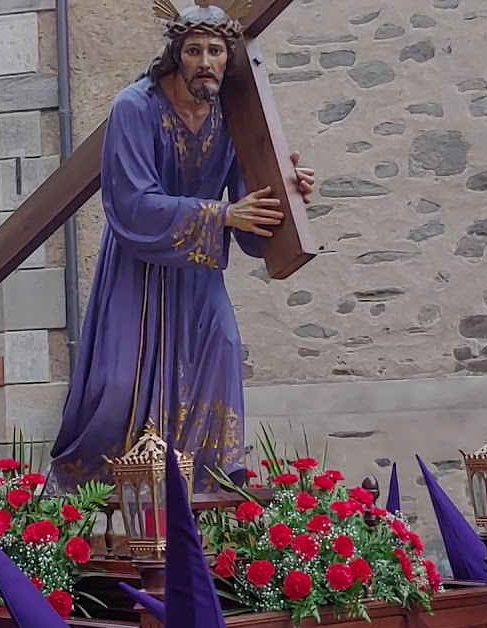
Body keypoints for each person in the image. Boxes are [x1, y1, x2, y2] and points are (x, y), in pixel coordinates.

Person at [49, 0, 315, 489]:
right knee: (119, 386)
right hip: (138, 267)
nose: (206, 61)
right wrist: (221, 215)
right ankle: (103, 497)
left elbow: (248, 216)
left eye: (216, 50)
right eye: (195, 49)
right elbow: (131, 203)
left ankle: (205, 487)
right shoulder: (135, 107)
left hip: (197, 272)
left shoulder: (230, 117)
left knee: (224, 347)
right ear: (176, 55)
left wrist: (286, 191)